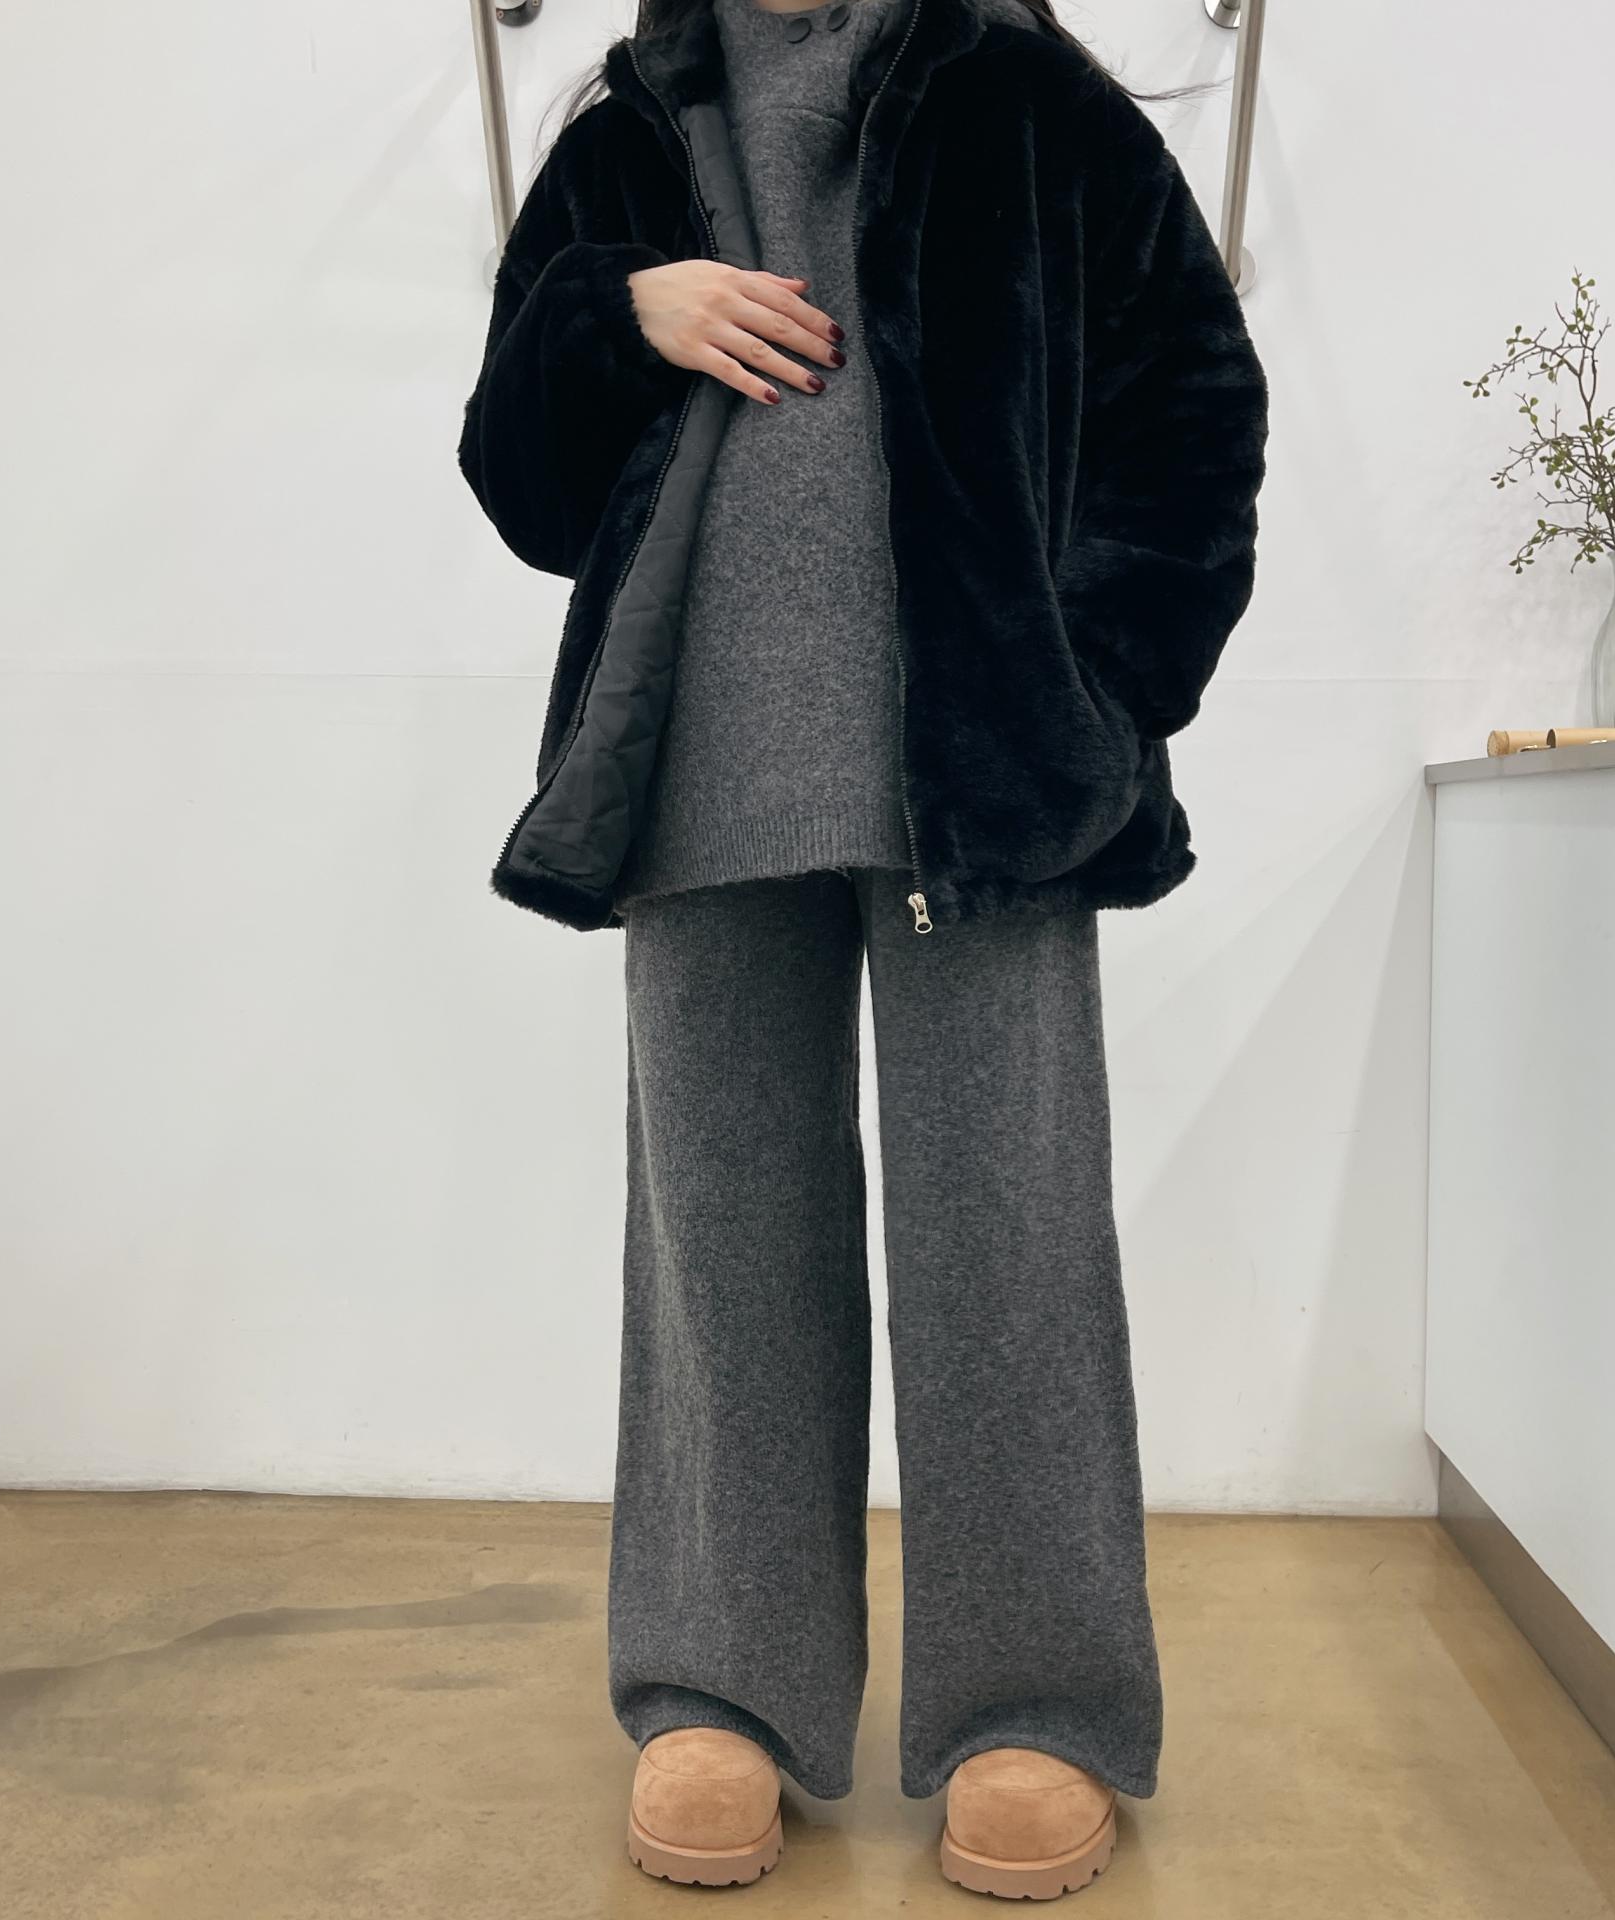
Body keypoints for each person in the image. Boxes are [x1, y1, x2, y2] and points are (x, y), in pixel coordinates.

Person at [457, 0, 1267, 1897]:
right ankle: (721, 1693)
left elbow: (1193, 407)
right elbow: (519, 480)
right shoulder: (633, 124)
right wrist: (619, 313)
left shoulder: (1024, 96)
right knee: (722, 1247)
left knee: (1011, 1247)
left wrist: (1092, 695)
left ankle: (1033, 1709)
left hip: (986, 785)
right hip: (696, 768)